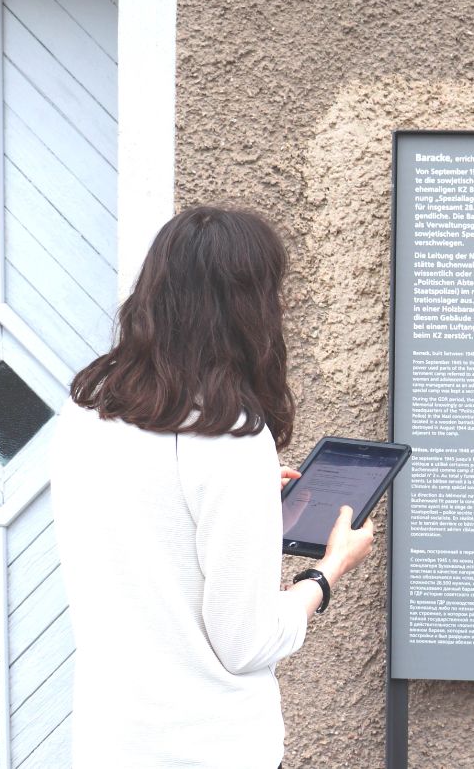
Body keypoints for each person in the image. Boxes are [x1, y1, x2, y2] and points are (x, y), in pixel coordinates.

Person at [50, 206, 374, 769]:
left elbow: (146, 520)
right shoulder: (230, 442)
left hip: (111, 743)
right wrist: (327, 573)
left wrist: (239, 500)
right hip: (211, 749)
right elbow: (245, 643)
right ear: (250, 310)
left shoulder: (86, 411)